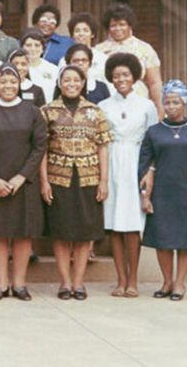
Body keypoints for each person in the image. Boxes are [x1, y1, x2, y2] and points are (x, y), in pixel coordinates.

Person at [40, 66, 111, 301]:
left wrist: (103, 181)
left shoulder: (95, 111)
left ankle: (79, 283)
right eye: (66, 80)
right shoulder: (47, 111)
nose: (71, 83)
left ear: (83, 83)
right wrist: (44, 182)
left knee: (84, 233)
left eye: (76, 80)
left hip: (88, 178)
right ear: (59, 83)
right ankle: (65, 282)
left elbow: (103, 146)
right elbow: (41, 150)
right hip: (58, 178)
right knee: (61, 232)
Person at [0, 64, 47, 302]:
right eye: (3, 81)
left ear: (19, 84)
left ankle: (19, 284)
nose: (8, 86)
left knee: (22, 234)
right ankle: (0, 284)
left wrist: (22, 176)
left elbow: (40, 147)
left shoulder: (32, 111)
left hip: (24, 183)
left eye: (12, 81)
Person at [100, 53, 157, 298]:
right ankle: (120, 280)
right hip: (112, 162)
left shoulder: (147, 105)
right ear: (111, 78)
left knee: (132, 225)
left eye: (125, 74)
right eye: (116, 75)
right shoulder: (103, 106)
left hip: (136, 161)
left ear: (134, 76)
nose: (121, 79)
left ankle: (133, 280)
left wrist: (149, 171)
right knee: (114, 224)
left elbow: (152, 142)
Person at [138, 80, 187, 300]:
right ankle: (166, 281)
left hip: (185, 191)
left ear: (184, 103)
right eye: (167, 102)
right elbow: (145, 164)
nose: (171, 106)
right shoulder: (154, 131)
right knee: (163, 239)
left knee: (184, 241)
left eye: (176, 102)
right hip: (162, 192)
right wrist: (145, 195)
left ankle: (179, 284)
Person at [95, 3, 164, 119]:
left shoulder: (144, 49)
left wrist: (160, 108)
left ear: (130, 25)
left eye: (122, 24)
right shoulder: (98, 50)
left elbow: (154, 82)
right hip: (108, 102)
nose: (118, 29)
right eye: (113, 25)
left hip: (139, 102)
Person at [62, 12, 107, 84]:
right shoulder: (63, 61)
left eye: (85, 30)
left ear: (92, 34)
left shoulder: (102, 59)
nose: (81, 34)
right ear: (72, 35)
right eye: (77, 31)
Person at [21, 28, 58, 103]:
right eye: (28, 45)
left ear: (43, 48)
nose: (33, 49)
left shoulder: (53, 69)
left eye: (37, 45)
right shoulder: (18, 68)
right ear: (22, 47)